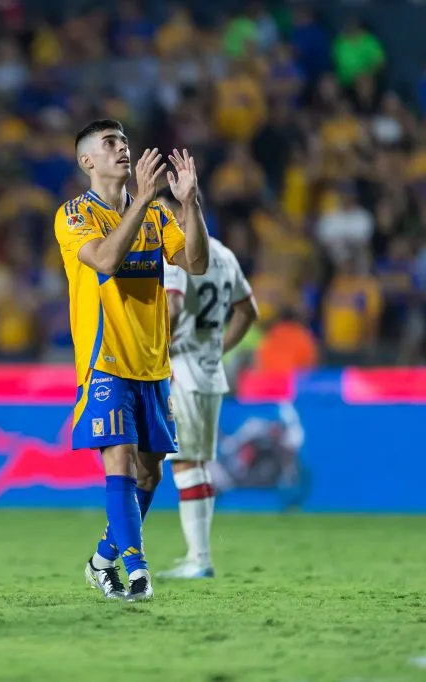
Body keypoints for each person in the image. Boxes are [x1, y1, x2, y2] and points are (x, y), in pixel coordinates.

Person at [54, 119, 209, 601]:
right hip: (105, 359)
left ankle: (103, 559)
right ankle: (138, 574)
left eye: (123, 142)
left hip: (153, 362)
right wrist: (142, 201)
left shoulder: (161, 214)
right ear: (88, 162)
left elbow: (197, 263)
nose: (122, 149)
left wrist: (190, 203)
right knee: (118, 458)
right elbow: (104, 261)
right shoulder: (73, 215)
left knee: (151, 471)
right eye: (110, 144)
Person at [158, 198, 260, 579]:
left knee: (185, 464)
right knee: (194, 463)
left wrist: (154, 355)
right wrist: (219, 347)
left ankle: (198, 558)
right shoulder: (224, 255)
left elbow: (171, 308)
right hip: (210, 371)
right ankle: (198, 556)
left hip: (183, 370)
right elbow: (248, 311)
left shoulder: (178, 255)